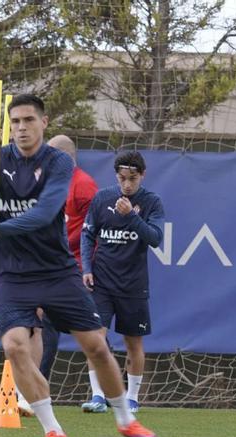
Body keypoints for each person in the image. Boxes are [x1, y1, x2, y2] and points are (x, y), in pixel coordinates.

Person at [0, 93, 160, 437]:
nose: (21, 128)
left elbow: (44, 213)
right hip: (11, 274)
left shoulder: (58, 163)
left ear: (43, 123)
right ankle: (53, 432)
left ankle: (127, 420)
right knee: (15, 346)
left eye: (28, 120)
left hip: (56, 271)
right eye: (15, 121)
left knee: (96, 344)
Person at [79, 151, 164, 414]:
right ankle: (97, 395)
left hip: (133, 284)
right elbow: (87, 235)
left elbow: (155, 238)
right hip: (102, 281)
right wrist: (87, 267)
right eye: (122, 178)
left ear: (143, 176)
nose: (127, 184)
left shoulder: (152, 202)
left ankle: (133, 397)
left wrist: (131, 216)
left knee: (133, 342)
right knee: (96, 339)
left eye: (132, 178)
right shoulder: (102, 198)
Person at [38, 135, 98, 381]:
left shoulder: (83, 185)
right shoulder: (46, 181)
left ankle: (102, 393)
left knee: (92, 333)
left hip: (73, 270)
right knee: (41, 324)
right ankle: (35, 388)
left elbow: (91, 232)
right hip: (47, 267)